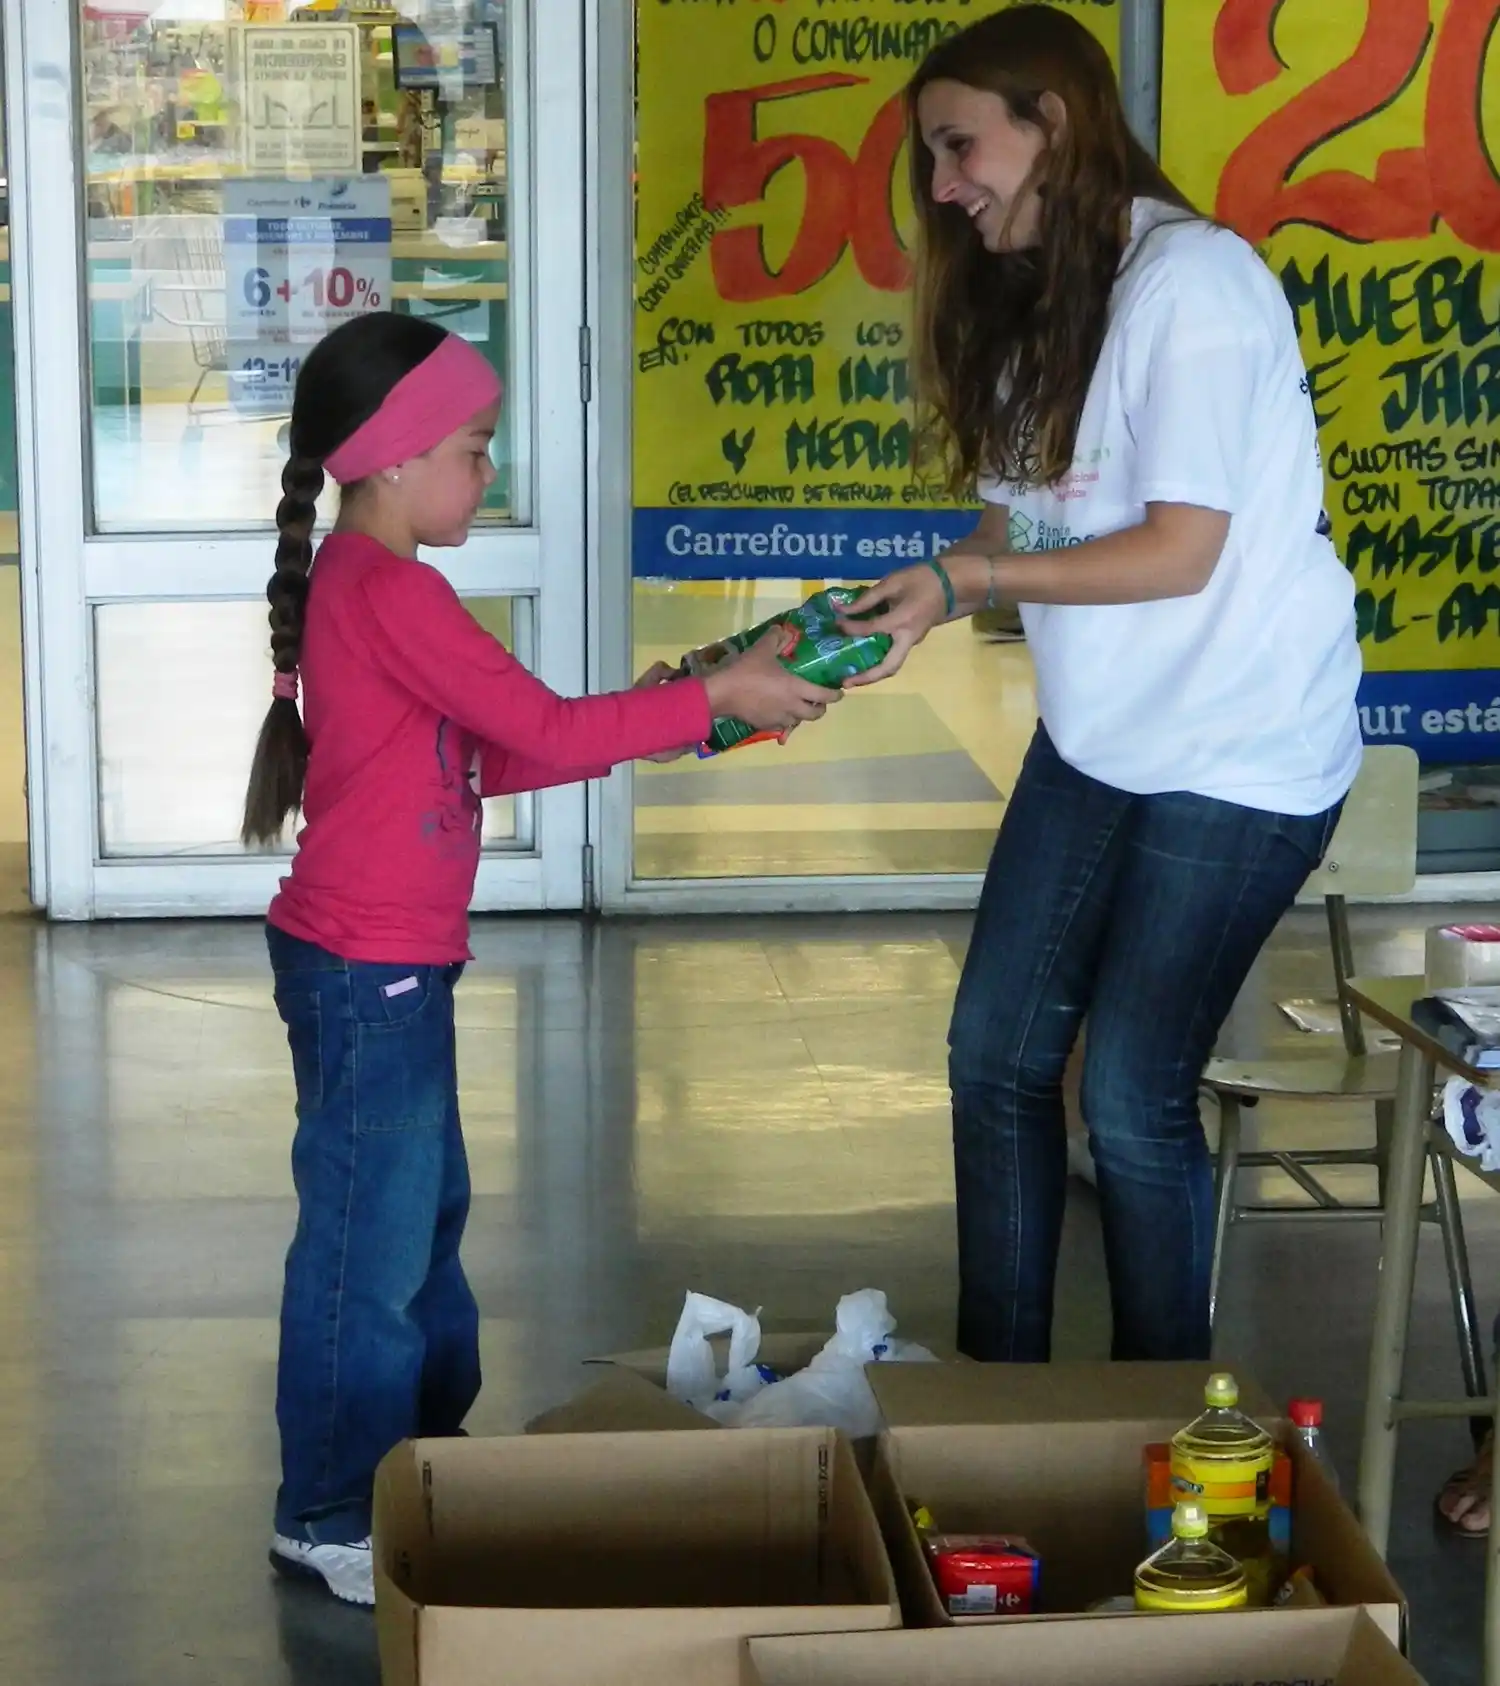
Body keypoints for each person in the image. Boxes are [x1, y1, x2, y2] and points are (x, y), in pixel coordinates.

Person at [242, 312, 837, 1605]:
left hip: (387, 966)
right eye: (473, 447)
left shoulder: (381, 587)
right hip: (364, 970)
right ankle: (331, 1506)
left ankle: (414, 1455)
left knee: (419, 1220)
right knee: (368, 1245)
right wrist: (712, 698)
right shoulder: (385, 587)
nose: (488, 472)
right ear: (394, 459)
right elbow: (539, 724)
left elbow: (497, 751)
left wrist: (689, 701)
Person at [842, 5, 1361, 1364]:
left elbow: (1180, 550)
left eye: (961, 148)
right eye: (935, 162)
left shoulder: (1194, 284)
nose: (945, 188)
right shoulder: (1038, 297)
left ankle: (1160, 1439)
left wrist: (973, 588)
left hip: (1242, 755)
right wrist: (924, 591)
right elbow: (1025, 524)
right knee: (994, 1057)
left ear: (1054, 123)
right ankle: (998, 1412)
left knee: (1131, 1095)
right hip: (1103, 742)